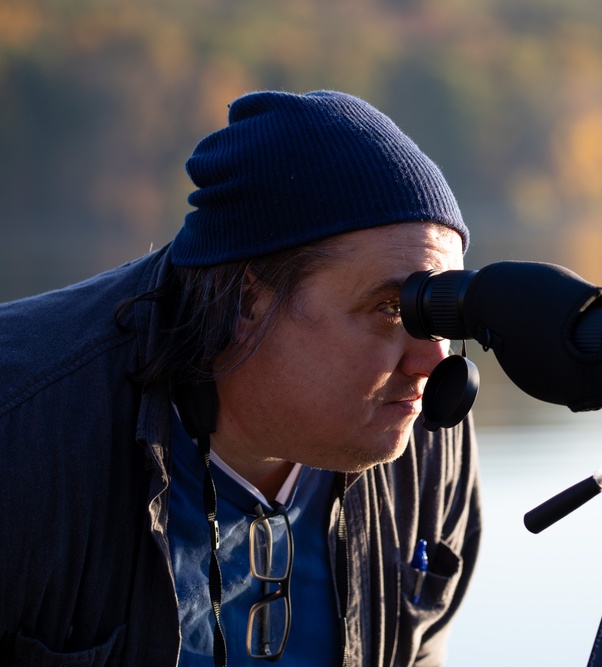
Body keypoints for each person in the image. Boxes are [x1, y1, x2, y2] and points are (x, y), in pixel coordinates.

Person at [0, 90, 482, 667]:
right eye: (391, 309)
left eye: (441, 314)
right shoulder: (23, 435)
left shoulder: (419, 424)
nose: (433, 364)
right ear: (248, 300)